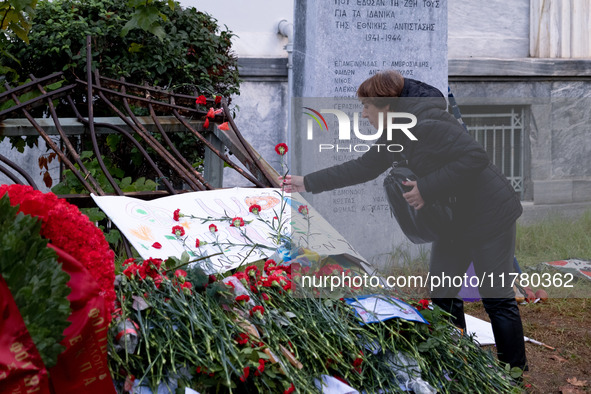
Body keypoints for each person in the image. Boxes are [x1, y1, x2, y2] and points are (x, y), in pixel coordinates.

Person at [281, 70, 527, 371]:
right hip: (453, 221)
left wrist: (426, 187)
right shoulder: (399, 129)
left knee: (497, 300)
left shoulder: (428, 123)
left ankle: (514, 376)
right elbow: (364, 167)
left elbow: (476, 157)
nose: (363, 113)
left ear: (384, 105)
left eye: (366, 107)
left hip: (489, 216)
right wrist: (306, 182)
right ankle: (459, 362)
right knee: (443, 294)